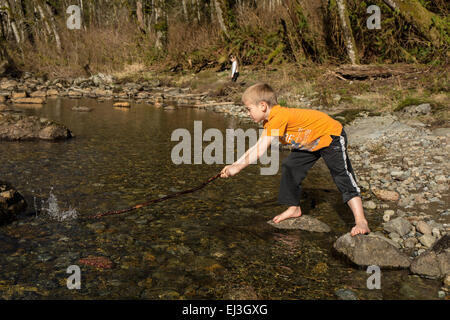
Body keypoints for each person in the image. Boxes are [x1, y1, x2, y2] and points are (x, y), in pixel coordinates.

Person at [220, 83, 370, 236]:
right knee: (290, 165)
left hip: (329, 136)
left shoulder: (278, 116)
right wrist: (235, 164)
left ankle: (361, 220)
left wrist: (237, 168)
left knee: (341, 174)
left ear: (263, 106)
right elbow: (256, 146)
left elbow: (260, 149)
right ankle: (294, 208)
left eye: (249, 109)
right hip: (308, 142)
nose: (248, 113)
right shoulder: (269, 121)